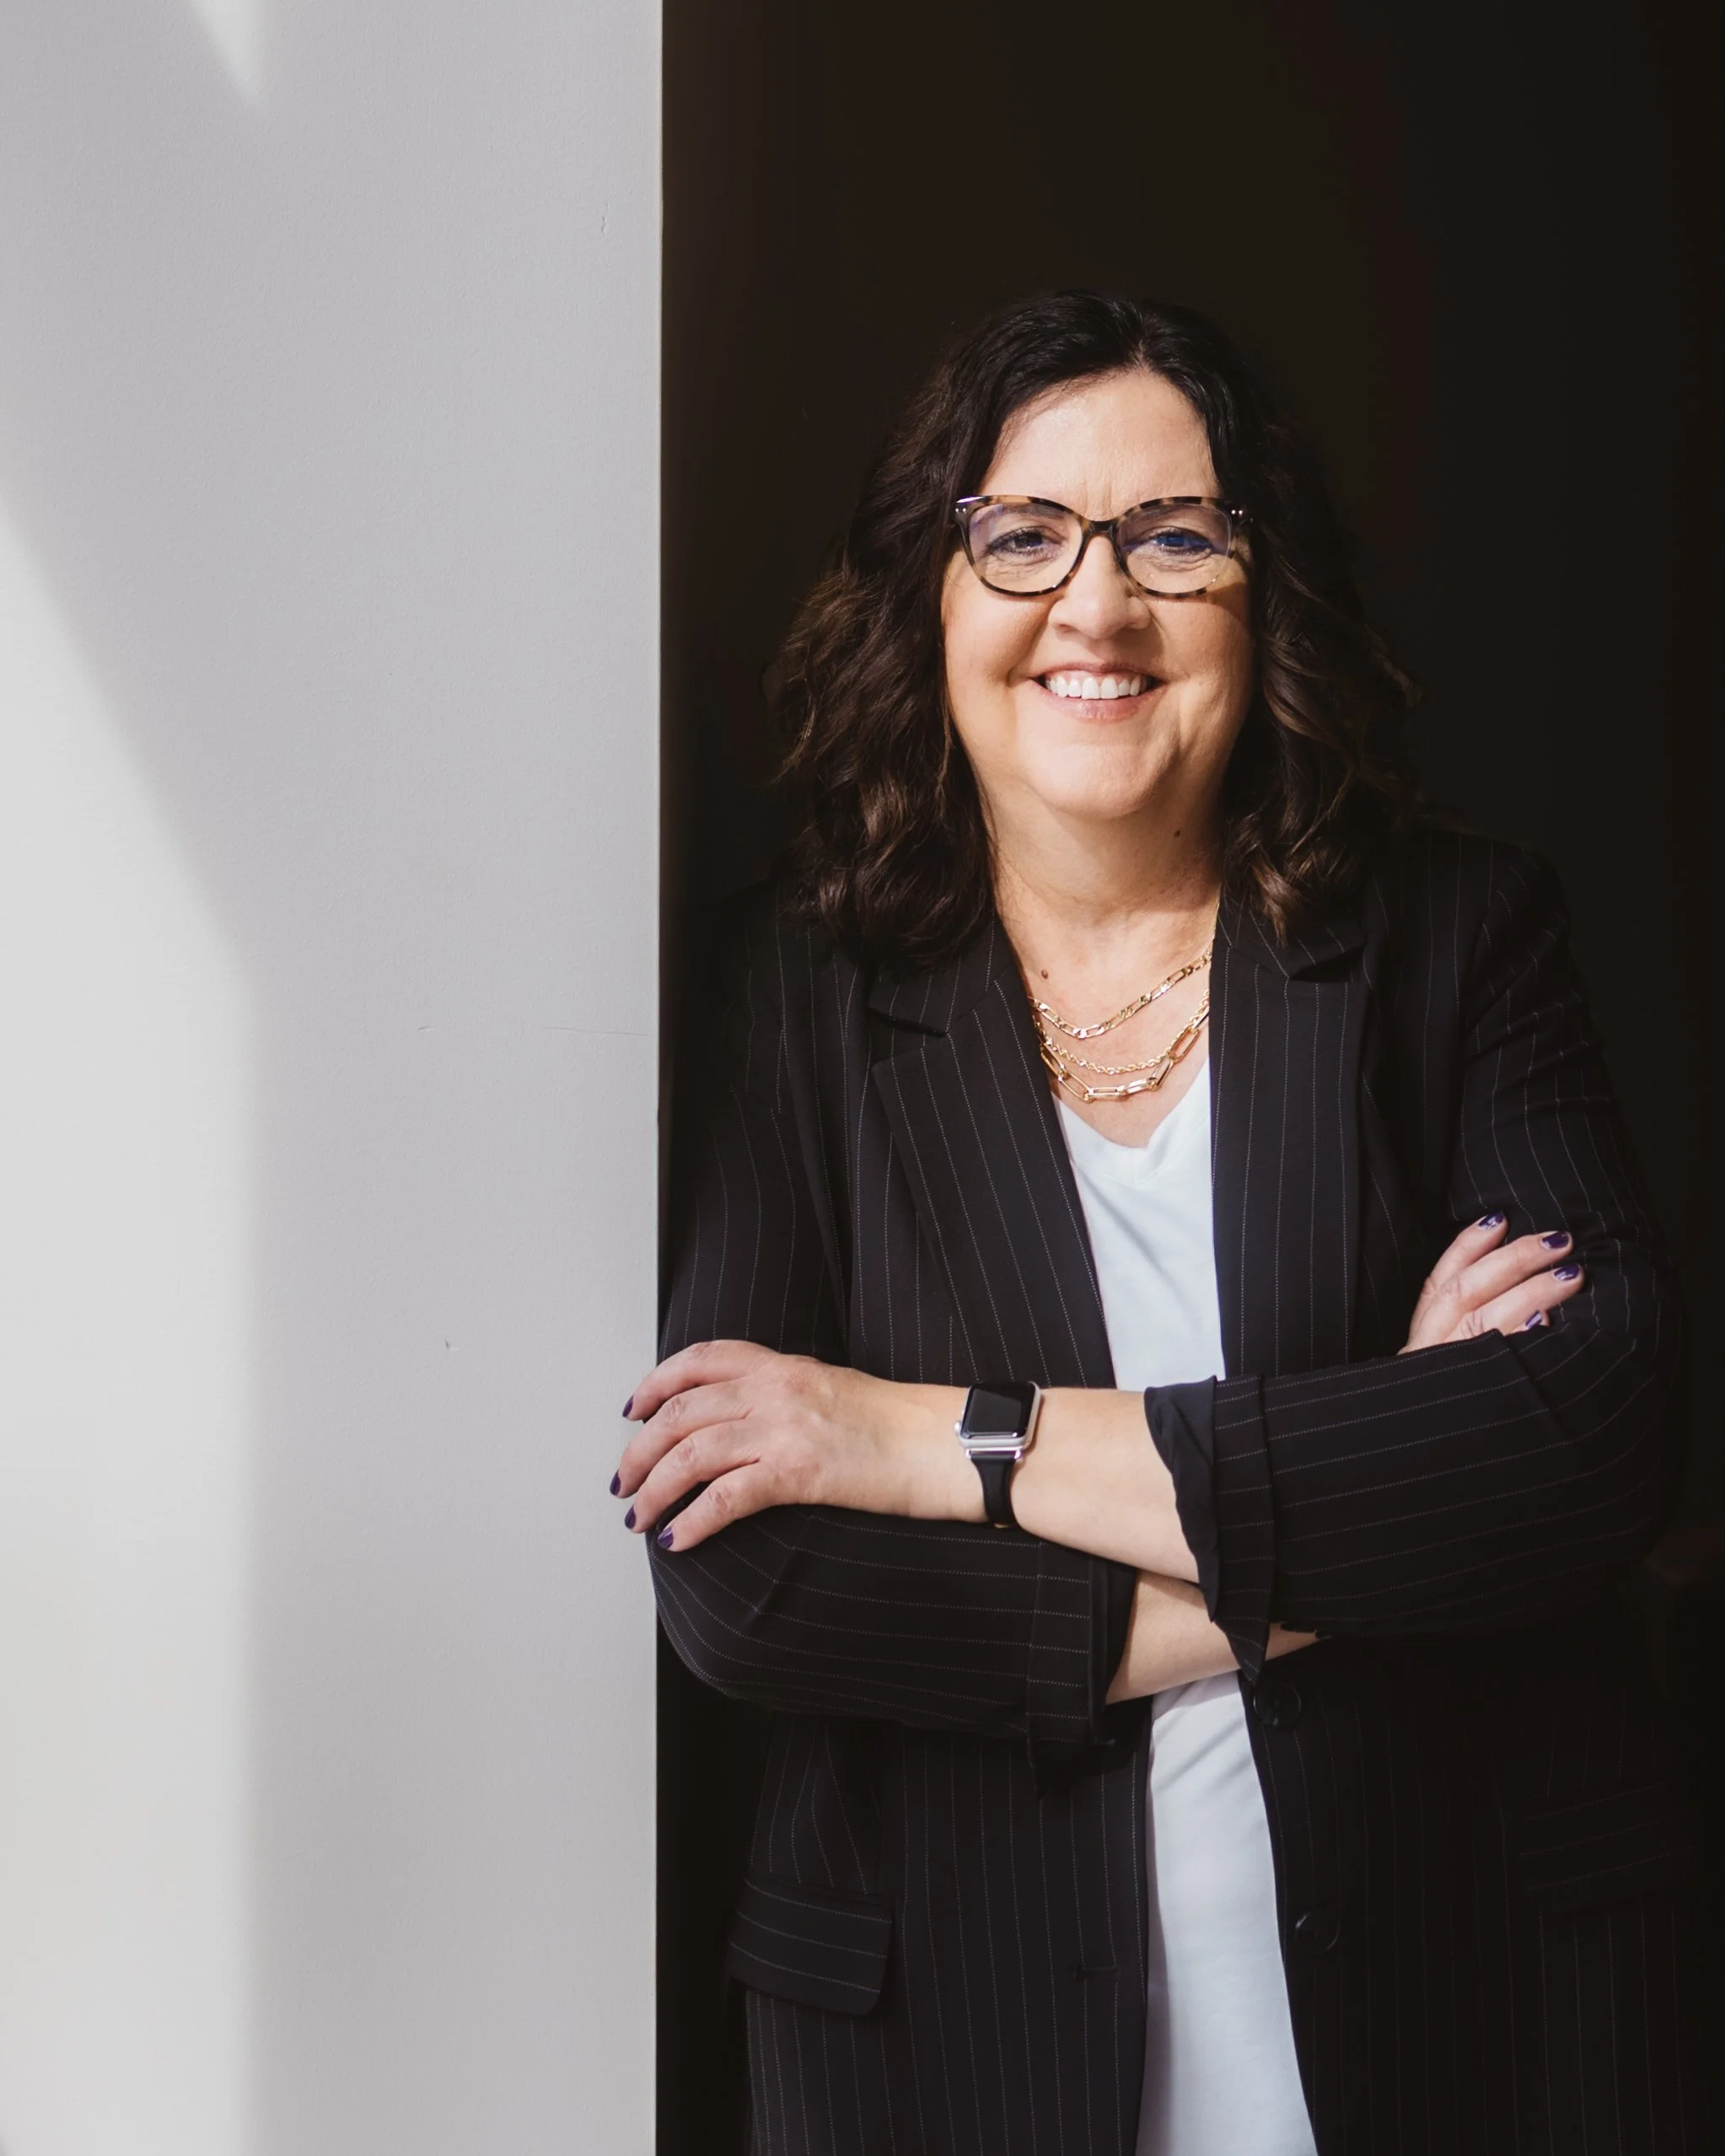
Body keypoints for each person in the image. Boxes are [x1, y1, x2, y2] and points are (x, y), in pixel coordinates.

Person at [613, 293, 1706, 2154]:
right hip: (947, 2053)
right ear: (931, 598)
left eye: (1173, 538)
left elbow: (1595, 1442)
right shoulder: (789, 993)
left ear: (1261, 595)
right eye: (1022, 536)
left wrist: (924, 1437)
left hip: (1472, 2020)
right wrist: (1374, 1512)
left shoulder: (1458, 943)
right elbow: (748, 1579)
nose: (1096, 608)